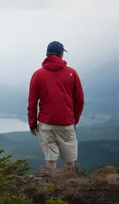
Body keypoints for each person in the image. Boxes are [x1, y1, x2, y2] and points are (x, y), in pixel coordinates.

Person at [27, 41, 84, 169]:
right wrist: (74, 119)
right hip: (67, 122)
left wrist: (32, 123)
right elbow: (79, 100)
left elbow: (32, 102)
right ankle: (70, 185)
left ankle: (52, 186)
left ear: (47, 54)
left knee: (50, 159)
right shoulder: (72, 73)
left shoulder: (38, 75)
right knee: (70, 161)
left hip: (46, 123)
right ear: (61, 53)